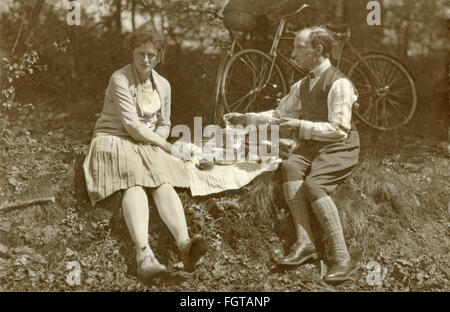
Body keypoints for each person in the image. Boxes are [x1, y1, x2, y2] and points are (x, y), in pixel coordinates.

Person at [223, 26, 360, 283]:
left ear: (317, 49)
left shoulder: (339, 83)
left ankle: (342, 257)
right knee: (289, 167)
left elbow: (339, 130)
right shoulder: (302, 84)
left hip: (339, 147)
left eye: (298, 46)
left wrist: (300, 127)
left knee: (314, 185)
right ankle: (305, 242)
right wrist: (247, 117)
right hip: (311, 146)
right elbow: (278, 115)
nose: (292, 52)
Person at [83, 24, 207, 281]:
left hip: (144, 143)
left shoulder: (163, 85)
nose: (146, 60)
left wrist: (156, 144)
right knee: (134, 181)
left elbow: (164, 123)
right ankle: (144, 255)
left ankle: (184, 245)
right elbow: (131, 125)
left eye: (152, 55)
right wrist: (167, 147)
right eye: (141, 53)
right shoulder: (119, 79)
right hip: (115, 138)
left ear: (159, 56)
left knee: (162, 181)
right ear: (133, 52)